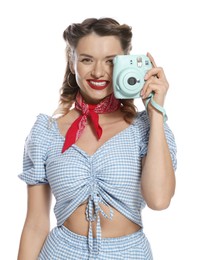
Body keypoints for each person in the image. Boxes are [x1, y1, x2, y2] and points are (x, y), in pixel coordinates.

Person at [17, 17, 177, 260]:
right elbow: (36, 224)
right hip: (60, 253)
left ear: (126, 62)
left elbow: (159, 199)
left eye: (111, 62)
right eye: (86, 60)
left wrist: (155, 112)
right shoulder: (46, 132)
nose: (99, 72)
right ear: (72, 63)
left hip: (129, 253)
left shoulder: (146, 128)